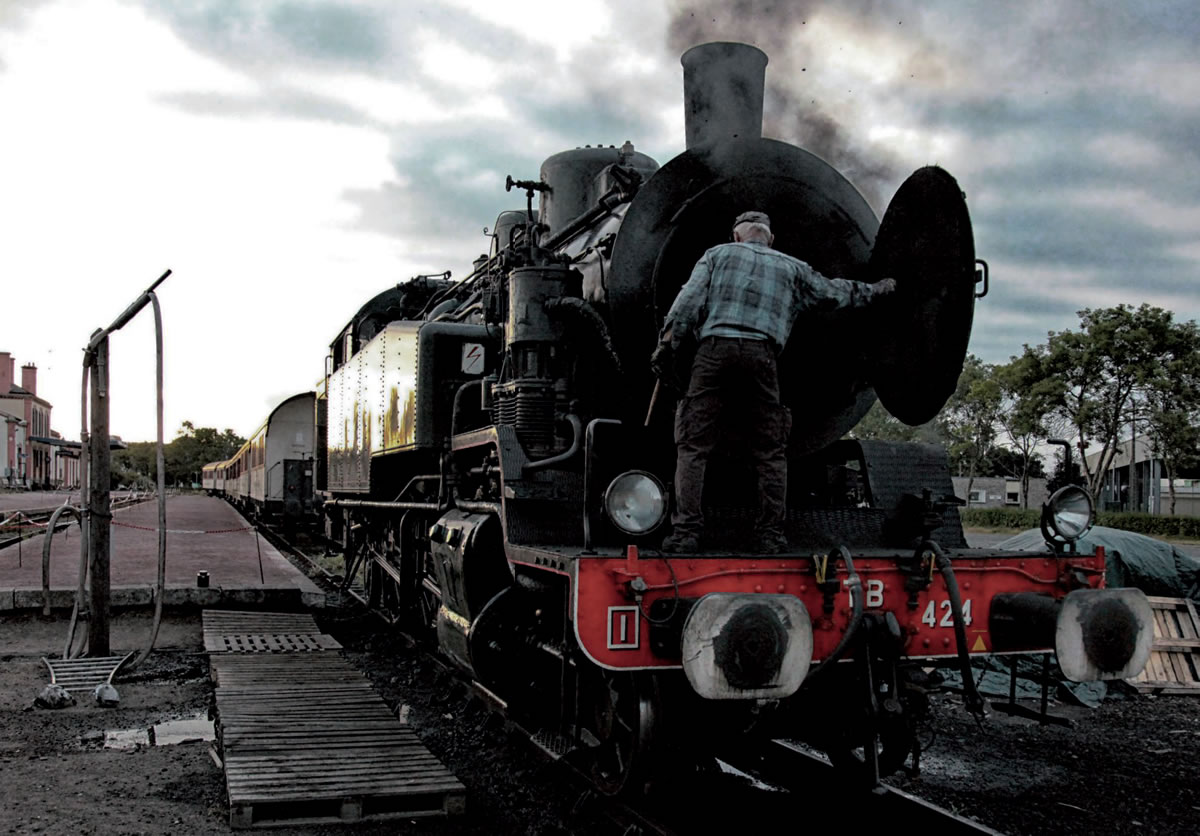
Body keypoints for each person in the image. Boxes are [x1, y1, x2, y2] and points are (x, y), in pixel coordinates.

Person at [653, 210, 896, 554]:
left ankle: (686, 535)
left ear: (736, 236)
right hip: (762, 357)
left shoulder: (716, 255)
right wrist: (877, 290)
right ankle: (770, 536)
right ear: (770, 238)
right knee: (770, 452)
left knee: (693, 448)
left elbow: (686, 304)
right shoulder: (791, 266)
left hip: (713, 353)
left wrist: (667, 347)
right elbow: (834, 294)